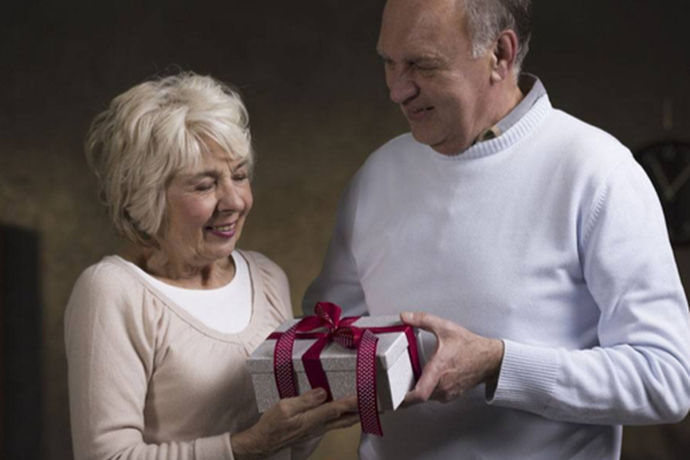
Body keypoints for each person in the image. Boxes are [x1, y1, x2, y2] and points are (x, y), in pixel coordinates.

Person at [303, 0, 690, 458]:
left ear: (500, 56)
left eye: (421, 65)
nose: (397, 90)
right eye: (389, 63)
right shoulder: (376, 175)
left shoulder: (598, 173)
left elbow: (666, 378)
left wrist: (500, 365)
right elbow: (326, 336)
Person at [64, 72, 359, 460]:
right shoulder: (112, 291)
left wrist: (328, 407)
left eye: (239, 175)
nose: (235, 201)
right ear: (147, 195)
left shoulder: (267, 277)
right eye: (205, 185)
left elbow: (287, 444)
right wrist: (248, 446)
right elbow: (107, 457)